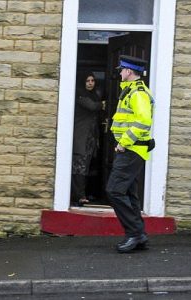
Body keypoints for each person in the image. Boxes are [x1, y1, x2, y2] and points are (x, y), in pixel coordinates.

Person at [106, 55, 155, 253]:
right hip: (131, 149)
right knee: (127, 192)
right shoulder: (131, 91)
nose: (119, 73)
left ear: (128, 71)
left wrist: (123, 143)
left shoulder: (138, 93)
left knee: (114, 191)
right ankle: (139, 235)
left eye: (121, 70)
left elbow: (144, 121)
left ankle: (134, 233)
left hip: (131, 149)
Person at [71, 71, 103, 207]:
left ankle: (86, 194)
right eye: (87, 81)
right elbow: (92, 106)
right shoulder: (79, 94)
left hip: (91, 137)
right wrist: (101, 104)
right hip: (81, 136)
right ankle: (79, 196)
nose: (90, 83)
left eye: (92, 81)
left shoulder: (94, 95)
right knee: (79, 166)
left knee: (88, 166)